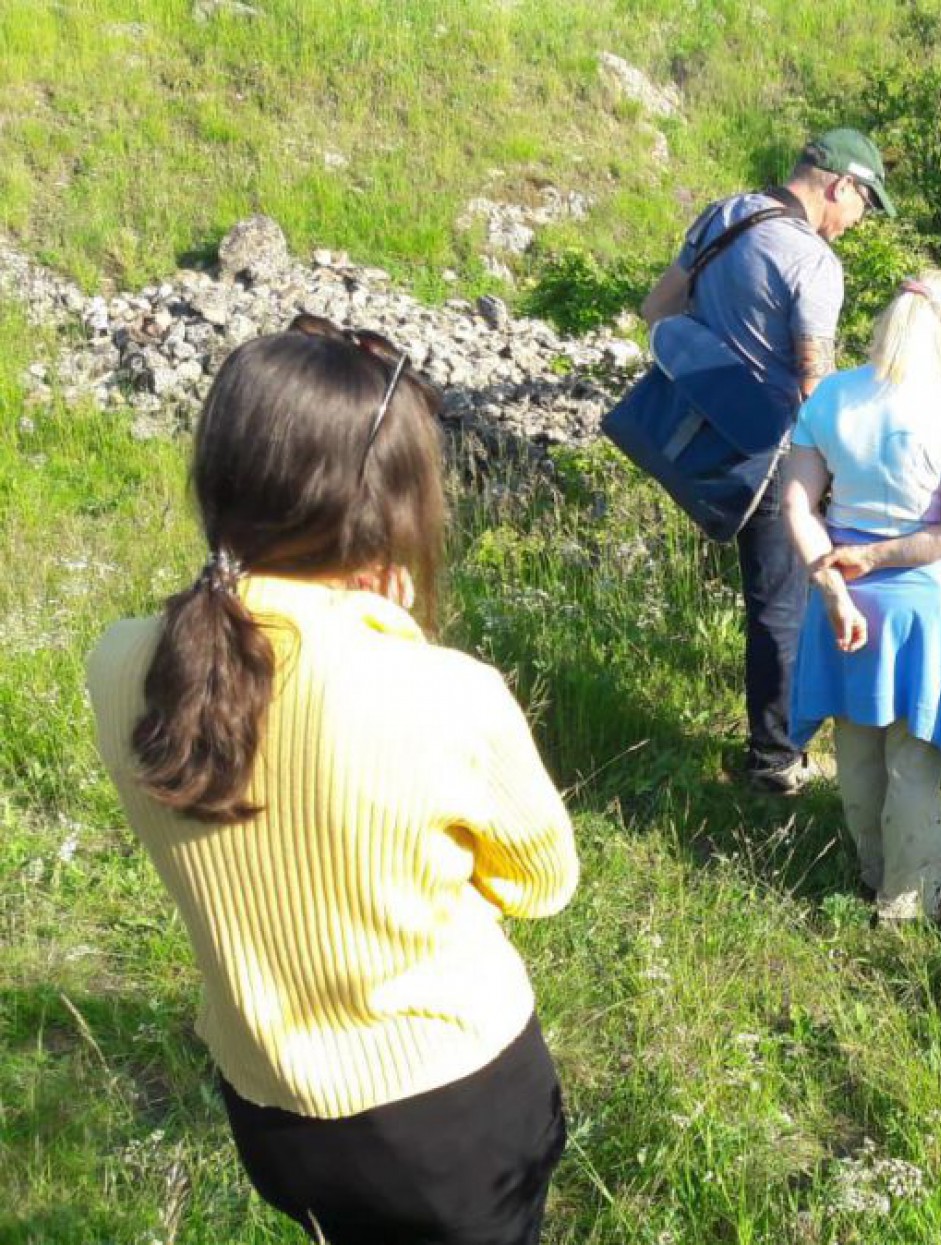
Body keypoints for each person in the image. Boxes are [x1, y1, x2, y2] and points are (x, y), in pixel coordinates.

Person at [85, 319, 579, 1244]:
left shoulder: (119, 664)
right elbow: (542, 882)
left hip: (272, 1109)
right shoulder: (441, 693)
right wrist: (392, 637)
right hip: (451, 1114)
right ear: (391, 508)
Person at [641, 127, 893, 795]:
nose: (857, 222)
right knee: (780, 606)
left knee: (769, 599)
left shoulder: (727, 214)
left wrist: (712, 373)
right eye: (863, 204)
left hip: (697, 438)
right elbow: (816, 385)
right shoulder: (814, 263)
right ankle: (775, 761)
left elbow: (658, 308)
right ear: (841, 184)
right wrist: (847, 470)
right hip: (772, 455)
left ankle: (777, 741)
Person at [785, 271, 941, 925]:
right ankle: (909, 901)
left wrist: (835, 583)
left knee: (856, 744)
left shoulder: (834, 396)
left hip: (844, 596)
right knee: (914, 753)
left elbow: (796, 503)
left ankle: (874, 872)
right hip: (924, 603)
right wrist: (874, 556)